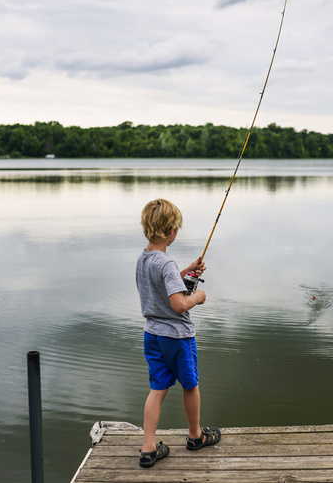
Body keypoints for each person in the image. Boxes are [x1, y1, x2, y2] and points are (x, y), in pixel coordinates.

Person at [136, 198, 221, 468]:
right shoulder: (166, 264)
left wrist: (185, 270)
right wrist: (198, 297)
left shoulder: (143, 259)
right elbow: (178, 303)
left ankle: (148, 447)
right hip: (177, 337)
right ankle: (196, 436)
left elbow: (161, 284)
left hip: (152, 335)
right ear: (171, 231)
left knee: (157, 389)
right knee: (190, 384)